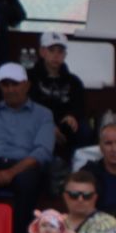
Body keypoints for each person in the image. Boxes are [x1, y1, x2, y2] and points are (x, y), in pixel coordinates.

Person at [0, 63, 53, 233]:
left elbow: (43, 151)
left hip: (24, 165)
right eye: (5, 84)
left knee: (29, 180)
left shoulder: (43, 114)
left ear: (26, 85)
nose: (10, 89)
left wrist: (11, 172)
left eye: (15, 84)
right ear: (0, 86)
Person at [26, 30, 89, 159]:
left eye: (60, 51)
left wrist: (73, 115)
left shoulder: (74, 81)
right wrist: (48, 126)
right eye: (51, 50)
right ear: (42, 52)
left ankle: (77, 167)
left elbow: (80, 105)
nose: (56, 55)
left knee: (83, 129)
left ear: (65, 54)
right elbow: (28, 105)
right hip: (38, 122)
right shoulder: (29, 78)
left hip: (65, 123)